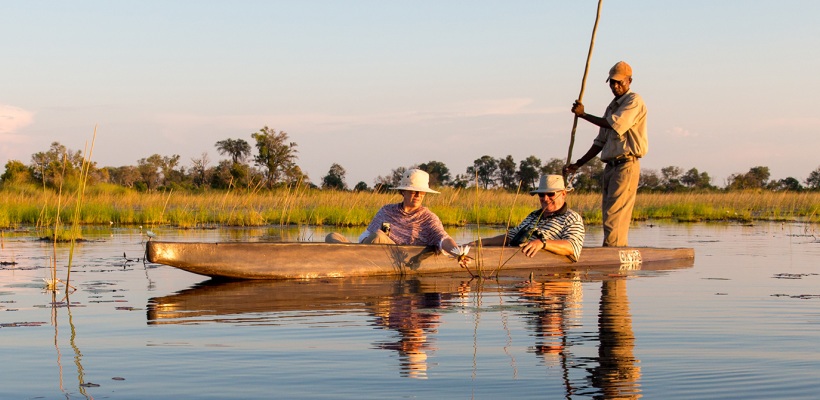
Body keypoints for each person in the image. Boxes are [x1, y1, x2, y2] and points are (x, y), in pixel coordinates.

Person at [563, 60, 647, 247]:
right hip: (611, 166)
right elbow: (600, 142)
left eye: (620, 82)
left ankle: (613, 252)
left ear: (629, 81)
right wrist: (578, 164)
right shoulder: (611, 107)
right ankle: (613, 248)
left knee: (614, 215)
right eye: (612, 82)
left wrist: (583, 115)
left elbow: (613, 124)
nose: (615, 86)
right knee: (608, 212)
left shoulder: (634, 101)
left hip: (626, 165)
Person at [326, 168, 469, 265]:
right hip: (370, 252)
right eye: (413, 191)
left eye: (421, 192)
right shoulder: (387, 210)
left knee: (378, 236)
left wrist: (458, 253)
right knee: (332, 236)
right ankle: (350, 259)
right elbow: (364, 237)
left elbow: (443, 238)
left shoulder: (428, 218)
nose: (418, 195)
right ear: (403, 192)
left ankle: (347, 259)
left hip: (396, 257)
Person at [469, 175, 585, 262]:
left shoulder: (572, 218)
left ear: (563, 194)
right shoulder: (533, 215)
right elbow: (511, 237)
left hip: (545, 277)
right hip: (514, 258)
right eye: (541, 194)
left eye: (551, 194)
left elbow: (572, 247)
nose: (545, 198)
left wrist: (542, 243)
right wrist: (482, 242)